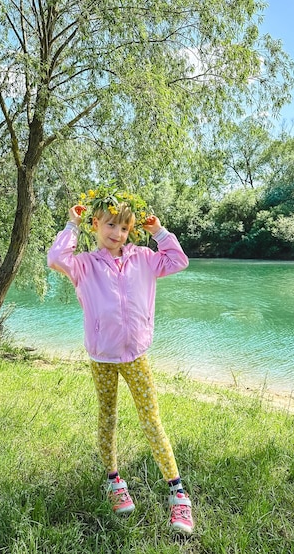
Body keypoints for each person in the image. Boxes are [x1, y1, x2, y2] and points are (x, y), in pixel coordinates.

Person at [47, 190, 194, 534]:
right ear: (95, 224)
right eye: (110, 224)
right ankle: (114, 481)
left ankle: (178, 492)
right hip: (102, 357)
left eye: (124, 227)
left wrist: (160, 233)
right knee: (107, 416)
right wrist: (71, 224)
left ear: (131, 231)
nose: (116, 233)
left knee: (151, 419)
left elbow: (178, 261)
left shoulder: (144, 258)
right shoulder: (82, 264)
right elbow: (56, 257)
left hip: (136, 355)